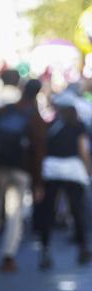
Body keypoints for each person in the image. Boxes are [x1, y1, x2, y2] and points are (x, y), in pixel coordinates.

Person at [0, 78, 46, 273]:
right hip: (20, 171)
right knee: (14, 214)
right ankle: (8, 254)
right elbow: (39, 153)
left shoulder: (3, 111)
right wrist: (38, 183)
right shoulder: (35, 118)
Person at [34, 92, 92, 271]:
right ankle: (83, 247)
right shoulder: (78, 126)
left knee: (48, 210)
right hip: (73, 171)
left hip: (51, 170)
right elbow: (83, 149)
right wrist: (88, 169)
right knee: (77, 209)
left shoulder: (50, 125)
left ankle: (45, 249)